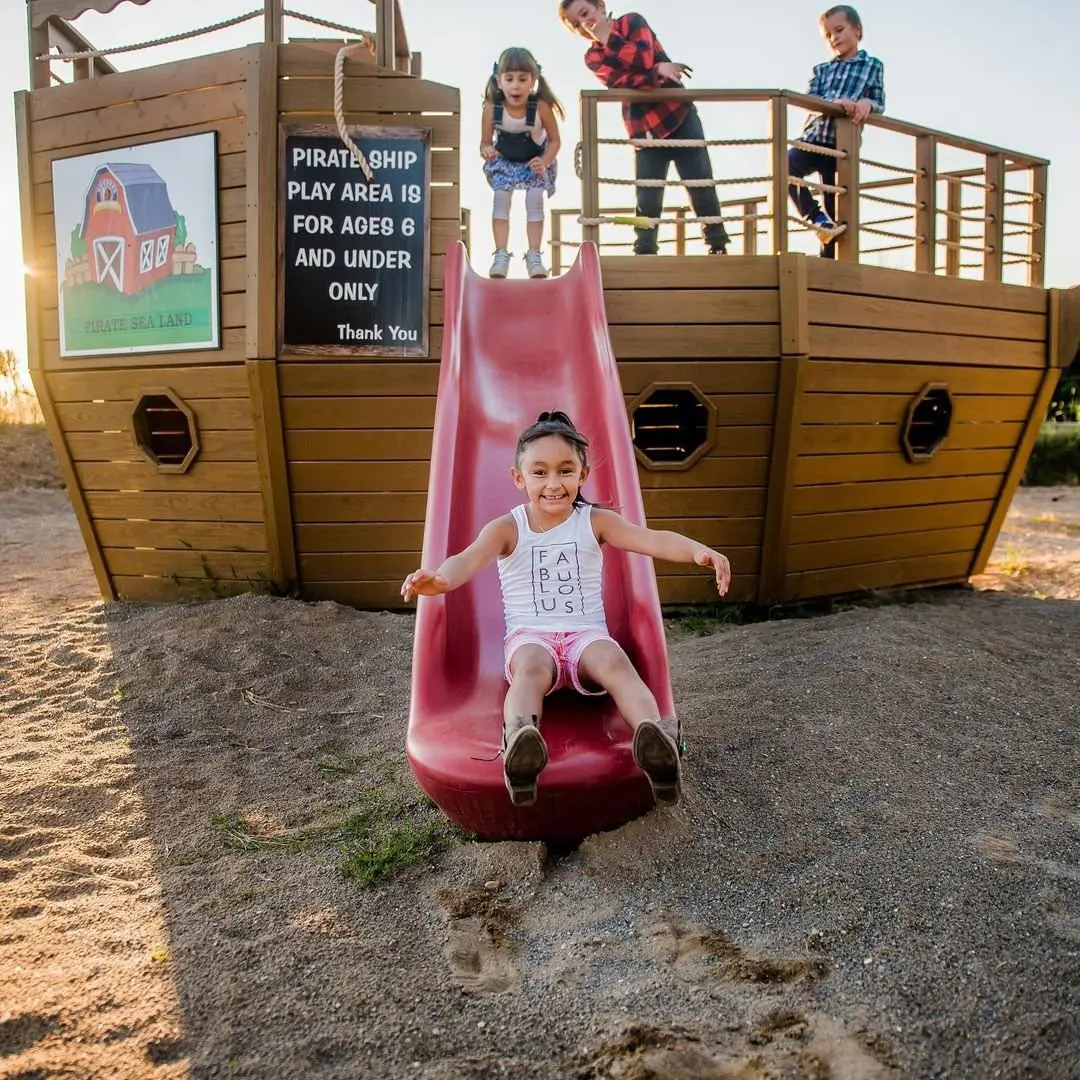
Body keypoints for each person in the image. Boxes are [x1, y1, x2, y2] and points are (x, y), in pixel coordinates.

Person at [401, 411, 731, 808]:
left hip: (585, 635)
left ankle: (657, 739)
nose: (553, 484)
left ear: (583, 474)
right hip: (531, 638)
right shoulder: (508, 527)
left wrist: (699, 551)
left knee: (615, 663)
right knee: (530, 671)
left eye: (565, 471)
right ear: (519, 478)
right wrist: (440, 579)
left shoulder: (594, 521)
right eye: (540, 473)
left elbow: (651, 540)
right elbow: (467, 559)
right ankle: (521, 743)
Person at [557, 0, 730, 256]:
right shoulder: (593, 56)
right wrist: (659, 71)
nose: (585, 24)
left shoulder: (632, 22)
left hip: (677, 114)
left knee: (700, 183)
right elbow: (620, 84)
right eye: (576, 24)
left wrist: (610, 38)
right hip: (643, 129)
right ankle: (645, 248)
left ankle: (716, 243)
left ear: (600, 6)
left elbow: (642, 57)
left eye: (585, 13)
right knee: (647, 195)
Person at [790, 5, 885, 258]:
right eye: (828, 35)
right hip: (814, 139)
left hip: (840, 148)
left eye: (839, 30)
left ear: (858, 30)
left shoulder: (872, 65)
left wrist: (867, 104)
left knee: (837, 211)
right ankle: (815, 217)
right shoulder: (822, 70)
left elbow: (879, 101)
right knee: (783, 166)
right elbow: (809, 99)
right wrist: (837, 102)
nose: (835, 38)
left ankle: (829, 264)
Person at [481, 47, 564, 279]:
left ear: (533, 81)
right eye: (509, 79)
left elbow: (556, 141)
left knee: (535, 200)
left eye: (522, 79)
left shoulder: (540, 107)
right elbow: (484, 142)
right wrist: (487, 150)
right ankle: (500, 254)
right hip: (506, 162)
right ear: (499, 81)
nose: (515, 86)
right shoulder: (491, 108)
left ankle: (535, 255)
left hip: (534, 162)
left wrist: (545, 161)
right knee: (501, 198)